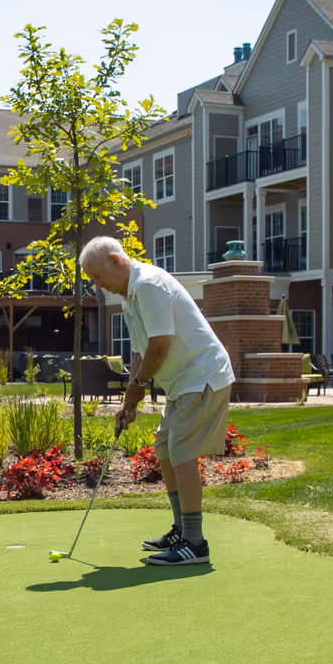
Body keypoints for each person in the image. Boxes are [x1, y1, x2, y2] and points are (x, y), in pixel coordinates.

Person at [79, 236, 234, 566]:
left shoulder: (149, 285)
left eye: (97, 276)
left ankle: (195, 543)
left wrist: (137, 387)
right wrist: (129, 398)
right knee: (165, 448)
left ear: (114, 260)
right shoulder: (129, 296)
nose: (97, 285)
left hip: (203, 376)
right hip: (183, 383)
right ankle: (182, 530)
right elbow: (140, 350)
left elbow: (160, 346)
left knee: (181, 451)